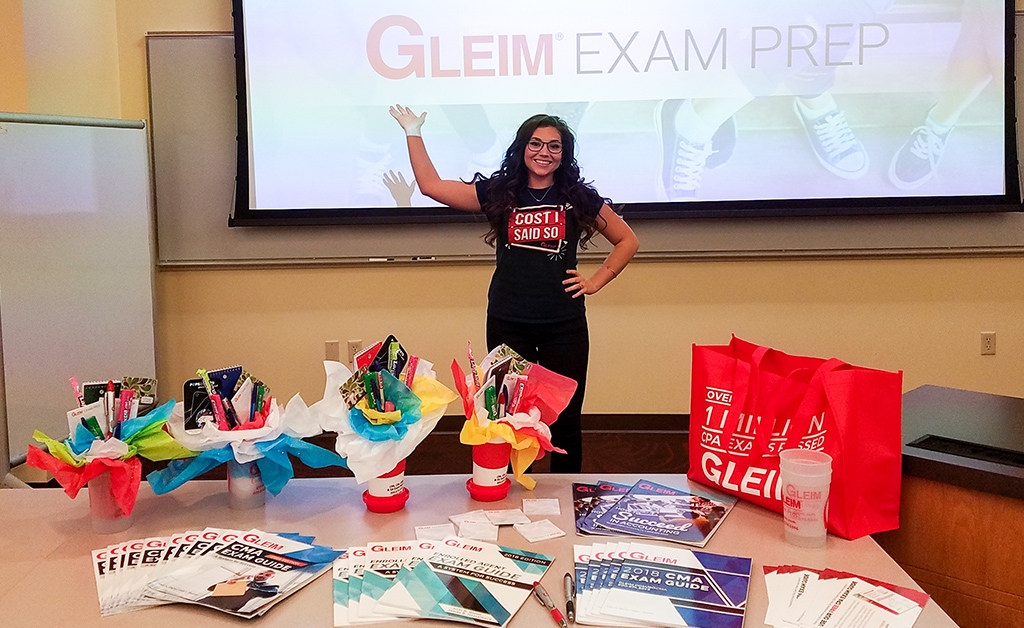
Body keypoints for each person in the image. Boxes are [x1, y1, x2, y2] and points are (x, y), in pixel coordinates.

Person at [389, 104, 639, 472]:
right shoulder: (501, 193)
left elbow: (627, 240)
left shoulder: (577, 197)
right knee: (506, 414)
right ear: (522, 148)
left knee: (565, 418)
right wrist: (413, 131)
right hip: (509, 319)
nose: (544, 152)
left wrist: (596, 281)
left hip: (564, 324)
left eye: (554, 146)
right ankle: (502, 487)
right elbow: (431, 187)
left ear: (563, 154)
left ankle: (565, 493)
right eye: (536, 144)